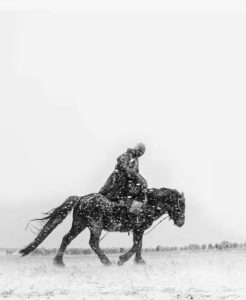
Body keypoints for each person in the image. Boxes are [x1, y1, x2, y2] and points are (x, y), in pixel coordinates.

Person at [99, 143, 148, 214]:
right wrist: (139, 178)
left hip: (127, 180)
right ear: (136, 148)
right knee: (114, 193)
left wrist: (142, 181)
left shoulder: (136, 159)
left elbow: (135, 172)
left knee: (139, 193)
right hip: (119, 178)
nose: (140, 154)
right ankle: (121, 208)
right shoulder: (128, 155)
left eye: (142, 153)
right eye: (140, 151)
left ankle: (133, 213)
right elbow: (126, 168)